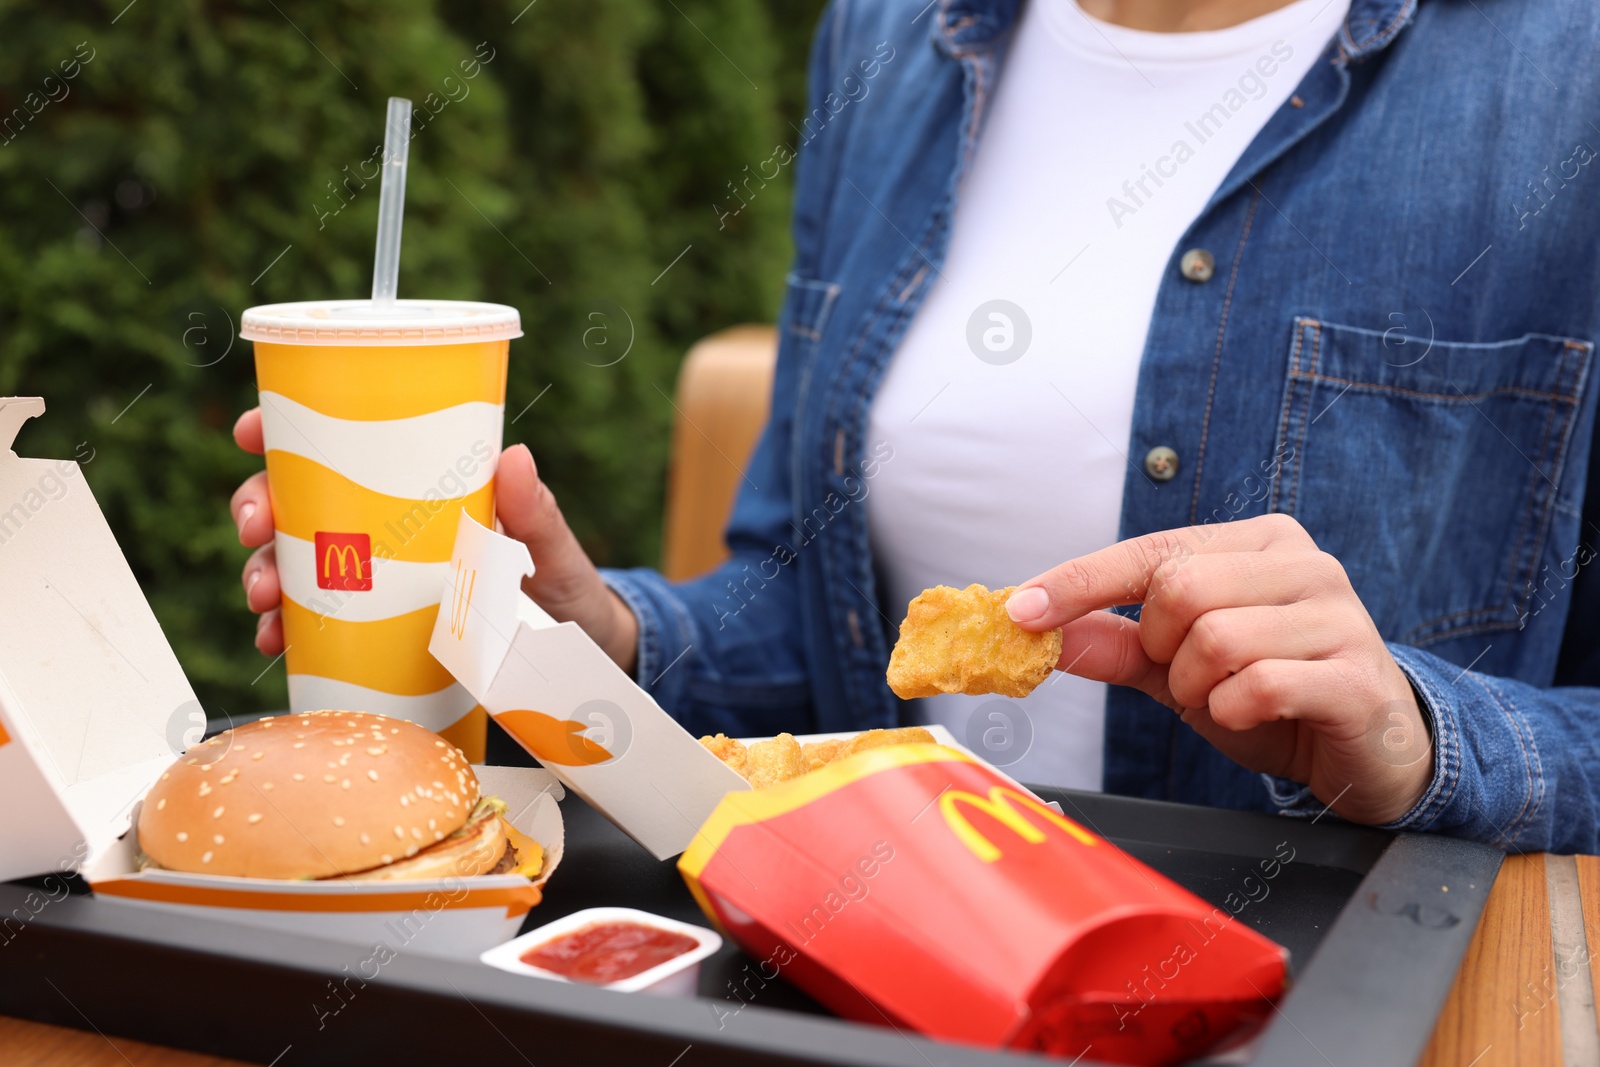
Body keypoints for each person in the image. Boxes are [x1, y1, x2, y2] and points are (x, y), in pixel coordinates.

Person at [231, 0, 1600, 853]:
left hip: (1344, 996)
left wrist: (1424, 741)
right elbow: (810, 636)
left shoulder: (1562, 71)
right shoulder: (894, 37)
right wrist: (581, 644)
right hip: (889, 967)